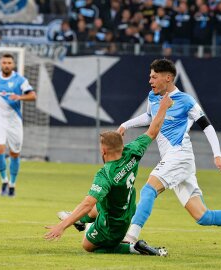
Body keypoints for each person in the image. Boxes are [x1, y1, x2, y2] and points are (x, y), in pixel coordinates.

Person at [117, 58, 221, 244]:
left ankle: (130, 237)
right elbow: (150, 116)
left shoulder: (186, 100)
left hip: (180, 155)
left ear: (168, 78)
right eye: (150, 77)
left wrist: (217, 155)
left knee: (149, 189)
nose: (150, 81)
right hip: (176, 160)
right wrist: (126, 125)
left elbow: (207, 126)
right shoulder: (153, 96)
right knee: (203, 217)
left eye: (154, 77)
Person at [44, 93, 173, 256]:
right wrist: (163, 108)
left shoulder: (105, 174)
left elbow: (87, 204)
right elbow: (153, 131)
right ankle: (80, 221)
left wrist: (62, 227)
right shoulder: (132, 151)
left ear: (104, 150)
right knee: (98, 206)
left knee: (87, 245)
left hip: (114, 223)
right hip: (128, 207)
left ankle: (134, 248)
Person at [0, 53, 36, 197]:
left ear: (13, 64)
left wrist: (20, 97)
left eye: (9, 63)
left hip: (14, 122)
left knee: (14, 153)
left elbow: (32, 95)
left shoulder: (20, 80)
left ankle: (12, 184)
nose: (6, 65)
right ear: (1, 64)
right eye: (4, 62)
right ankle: (4, 180)